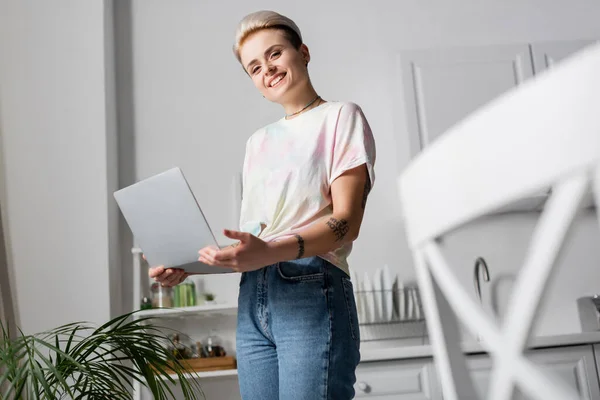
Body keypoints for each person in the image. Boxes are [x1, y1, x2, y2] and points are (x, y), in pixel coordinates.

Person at [148, 10, 376, 400]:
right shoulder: (257, 142)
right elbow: (259, 241)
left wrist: (268, 251)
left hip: (311, 288)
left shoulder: (341, 117)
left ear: (302, 52)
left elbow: (346, 222)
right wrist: (191, 264)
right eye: (254, 67)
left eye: (274, 54)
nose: (266, 69)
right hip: (253, 298)